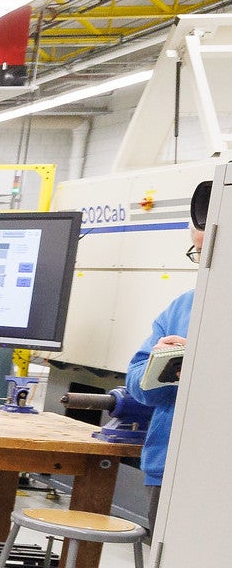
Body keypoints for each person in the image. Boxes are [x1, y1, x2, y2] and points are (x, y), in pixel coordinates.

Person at [123, 179, 207, 526]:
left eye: (208, 251)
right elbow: (137, 386)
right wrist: (160, 366)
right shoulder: (181, 308)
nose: (202, 261)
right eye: (198, 251)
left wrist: (205, 361)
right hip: (167, 466)